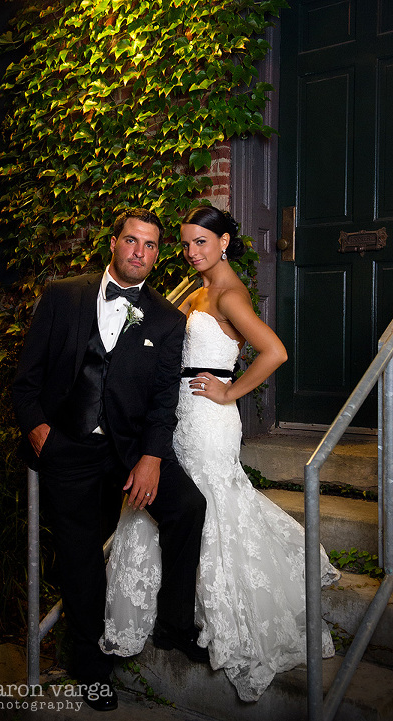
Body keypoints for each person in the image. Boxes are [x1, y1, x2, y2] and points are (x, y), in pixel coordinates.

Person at [101, 205, 340, 702]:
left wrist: (230, 393)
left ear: (225, 242)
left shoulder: (229, 294)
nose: (191, 253)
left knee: (210, 503)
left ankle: (201, 615)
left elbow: (274, 351)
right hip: (178, 418)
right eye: (186, 244)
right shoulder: (195, 289)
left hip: (209, 421)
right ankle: (165, 612)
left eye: (201, 244)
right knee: (171, 504)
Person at [12, 208, 208, 712]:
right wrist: (37, 427)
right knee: (79, 561)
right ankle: (92, 671)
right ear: (115, 242)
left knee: (187, 507)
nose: (139, 252)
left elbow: (165, 401)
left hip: (128, 453)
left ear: (157, 254)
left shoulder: (167, 319)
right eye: (131, 241)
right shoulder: (62, 295)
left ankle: (174, 624)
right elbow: (26, 376)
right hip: (68, 451)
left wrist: (150, 458)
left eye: (150, 245)